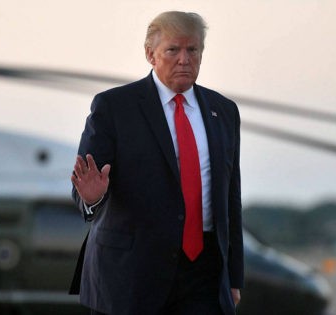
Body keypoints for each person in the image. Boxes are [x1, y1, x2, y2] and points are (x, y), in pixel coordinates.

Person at [70, 11, 244, 315]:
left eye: (193, 50)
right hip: (131, 273)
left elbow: (231, 198)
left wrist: (233, 277)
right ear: (150, 54)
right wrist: (92, 197)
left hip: (202, 273)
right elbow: (87, 186)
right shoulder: (114, 107)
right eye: (173, 50)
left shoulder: (223, 111)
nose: (184, 59)